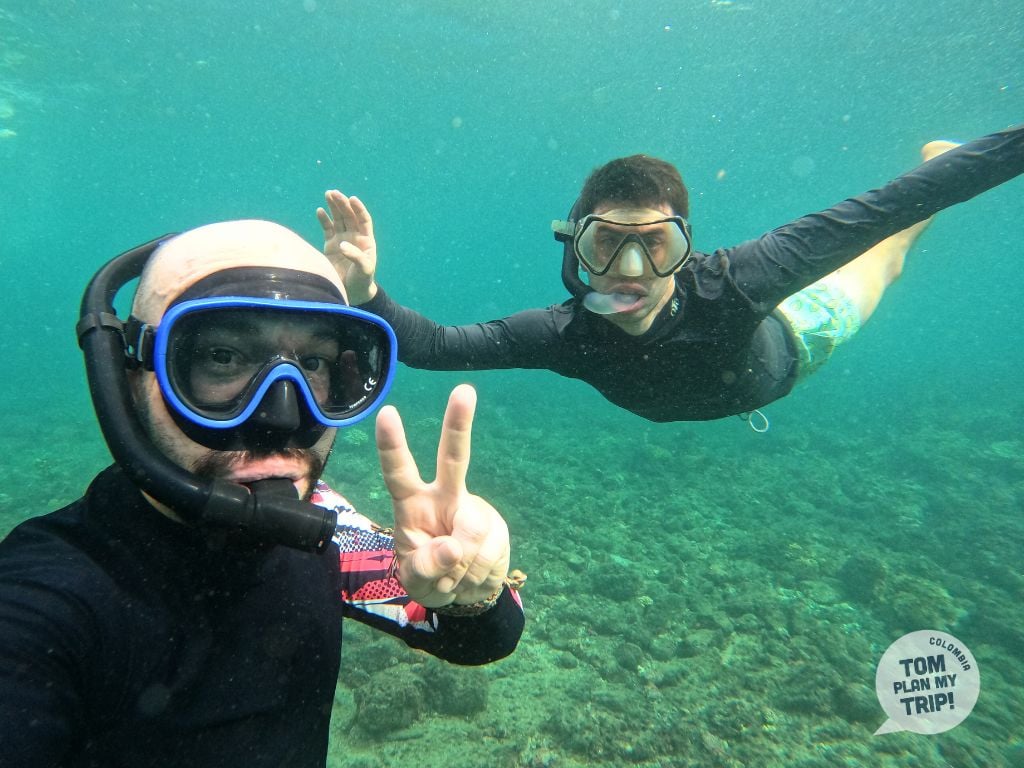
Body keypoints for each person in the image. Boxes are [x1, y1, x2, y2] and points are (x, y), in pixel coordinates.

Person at [0, 220, 524, 767]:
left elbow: (481, 637)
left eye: (315, 364)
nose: (280, 415)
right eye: (222, 357)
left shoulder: (325, 531)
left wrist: (473, 587)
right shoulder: (44, 601)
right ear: (129, 378)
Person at [316, 124, 1023, 426]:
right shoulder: (561, 334)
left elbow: (897, 202)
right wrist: (363, 291)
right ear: (574, 249)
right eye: (606, 246)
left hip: (793, 344)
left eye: (655, 246)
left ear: (686, 248)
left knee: (887, 254)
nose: (630, 272)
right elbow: (433, 346)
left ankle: (941, 149)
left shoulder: (739, 279)